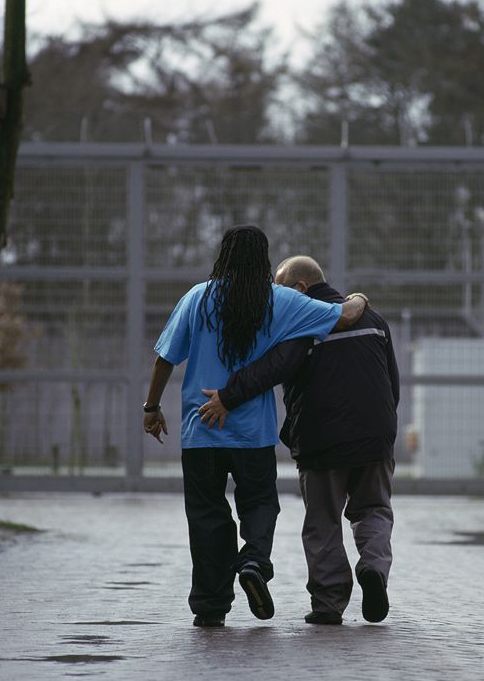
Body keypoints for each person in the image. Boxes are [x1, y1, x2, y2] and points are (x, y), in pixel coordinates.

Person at [143, 228, 368, 628]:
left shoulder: (197, 298)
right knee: (261, 504)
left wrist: (152, 407)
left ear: (222, 257)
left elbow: (165, 358)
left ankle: (211, 605)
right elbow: (346, 316)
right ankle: (253, 561)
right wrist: (359, 297)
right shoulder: (281, 301)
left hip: (201, 432)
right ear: (263, 260)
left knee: (206, 514)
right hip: (253, 433)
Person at [198, 255, 398, 625]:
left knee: (322, 521)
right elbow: (392, 382)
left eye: (280, 290)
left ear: (301, 288)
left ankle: (328, 604)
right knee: (374, 510)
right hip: (376, 436)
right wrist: (383, 428)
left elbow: (272, 368)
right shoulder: (374, 320)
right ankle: (372, 568)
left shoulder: (304, 324)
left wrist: (228, 395)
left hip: (322, 440)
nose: (275, 300)